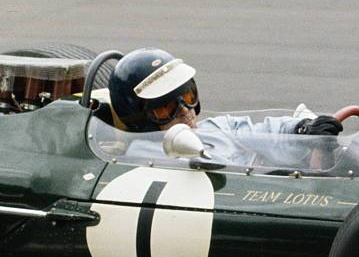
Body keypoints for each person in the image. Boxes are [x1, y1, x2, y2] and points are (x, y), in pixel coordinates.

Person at [108, 48, 343, 168]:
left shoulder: (214, 127)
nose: (184, 110)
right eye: (166, 107)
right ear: (140, 118)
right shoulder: (146, 157)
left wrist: (304, 130)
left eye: (188, 96)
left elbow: (263, 132)